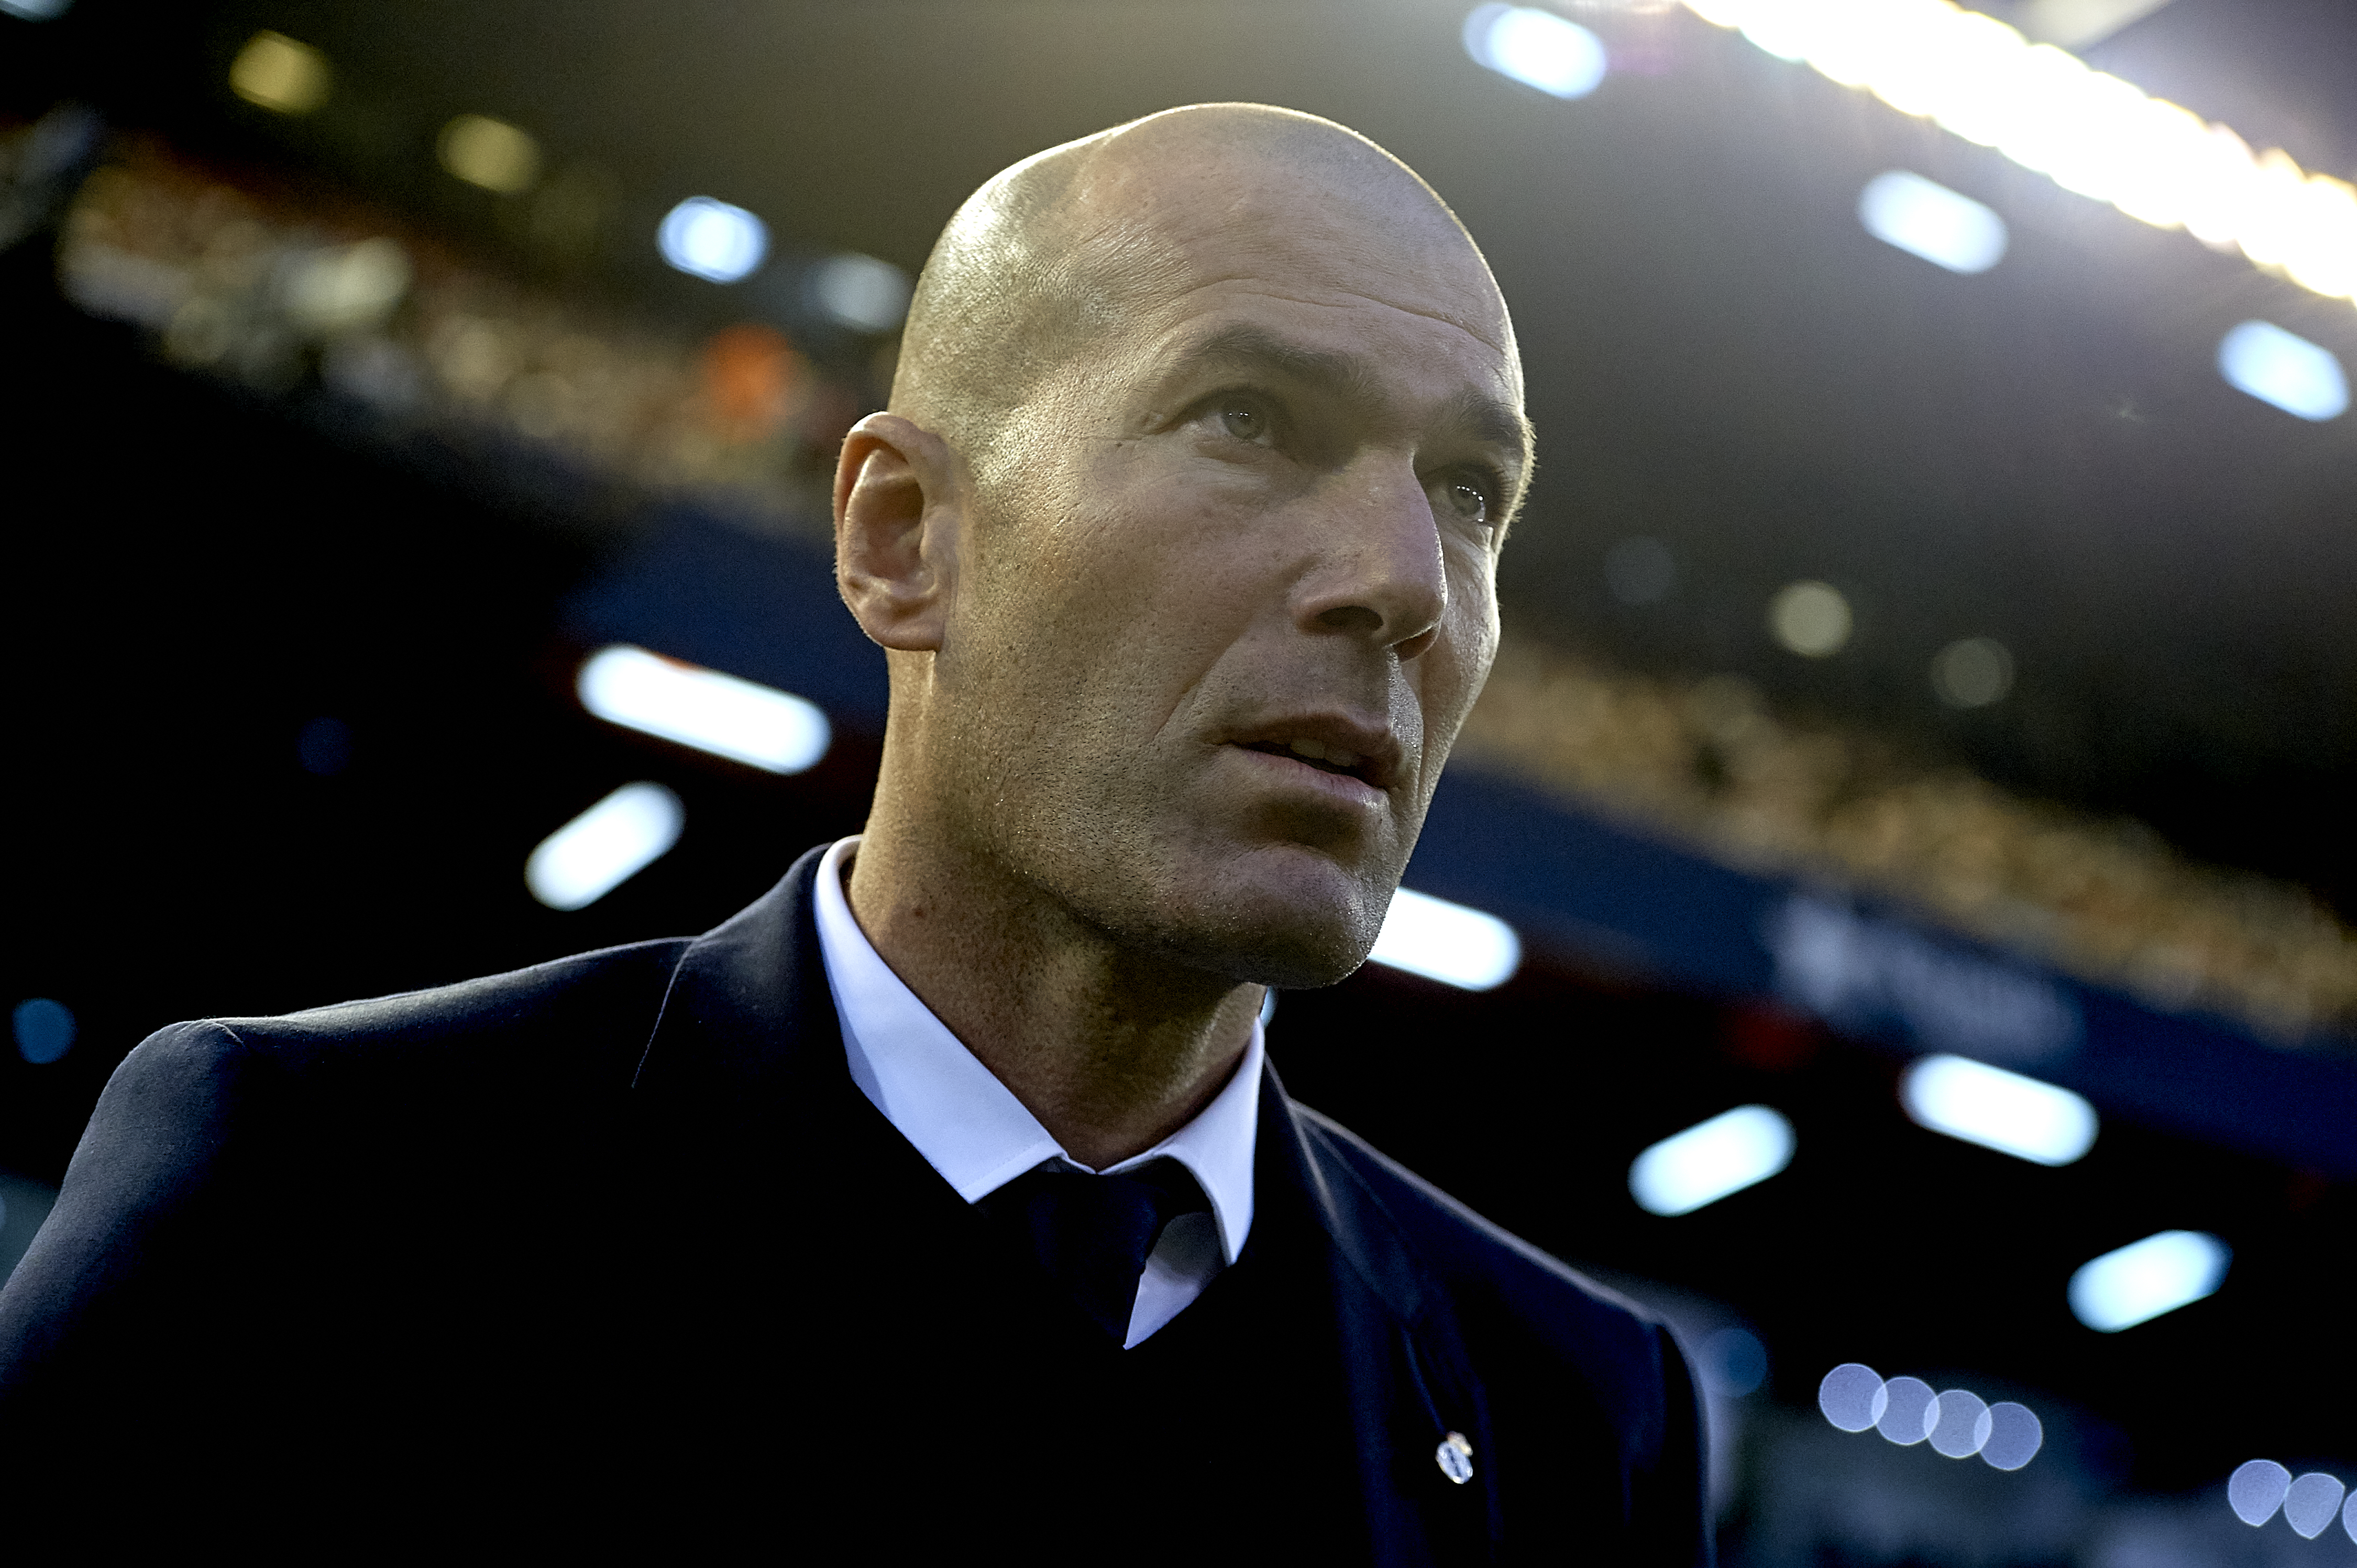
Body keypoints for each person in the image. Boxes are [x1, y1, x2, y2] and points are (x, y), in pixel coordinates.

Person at [0, 104, 1707, 1560]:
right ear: (904, 535)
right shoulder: (311, 1192)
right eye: (1248, 419)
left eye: (1470, 494)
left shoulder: (1576, 1418)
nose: (1406, 580)